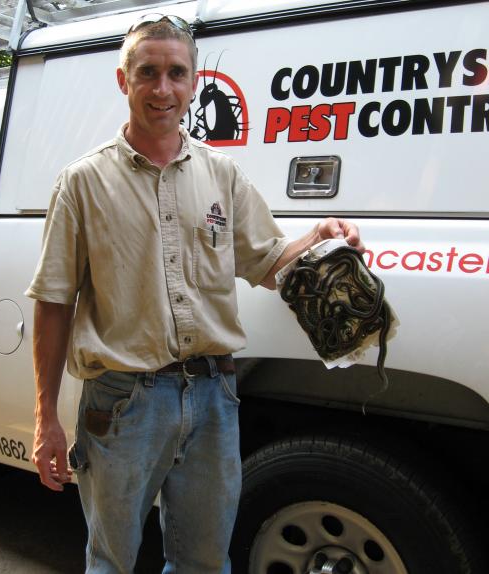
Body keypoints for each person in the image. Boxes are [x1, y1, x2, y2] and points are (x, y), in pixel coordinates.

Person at [26, 13, 363, 574]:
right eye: (148, 72)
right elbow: (54, 302)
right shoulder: (82, 183)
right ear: (123, 79)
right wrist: (45, 418)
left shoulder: (222, 174)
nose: (163, 89)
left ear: (194, 80)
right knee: (111, 561)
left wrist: (319, 237)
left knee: (205, 562)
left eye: (176, 73)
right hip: (123, 402)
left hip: (213, 397)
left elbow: (270, 261)